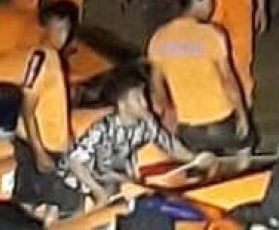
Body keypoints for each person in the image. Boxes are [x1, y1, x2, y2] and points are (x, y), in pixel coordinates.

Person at [64, 68, 206, 207]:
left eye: (144, 96)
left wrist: (195, 159)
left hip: (122, 185)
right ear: (122, 105)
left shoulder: (145, 122)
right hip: (81, 189)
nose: (144, 103)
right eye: (137, 99)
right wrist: (97, 190)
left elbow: (169, 145)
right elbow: (75, 161)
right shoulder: (103, 130)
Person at [147, 0, 253, 154]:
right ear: (197, 0)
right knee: (245, 150)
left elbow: (157, 87)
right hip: (220, 118)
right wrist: (242, 115)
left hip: (187, 125)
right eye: (210, 0)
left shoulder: (159, 38)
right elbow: (228, 81)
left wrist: (168, 116)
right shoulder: (212, 35)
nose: (212, 7)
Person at [13, 0, 84, 217]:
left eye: (67, 28)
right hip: (40, 146)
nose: (63, 34)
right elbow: (27, 105)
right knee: (67, 202)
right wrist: (38, 151)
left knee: (43, 204)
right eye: (59, 27)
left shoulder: (55, 59)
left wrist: (68, 138)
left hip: (52, 146)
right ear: (47, 27)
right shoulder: (42, 58)